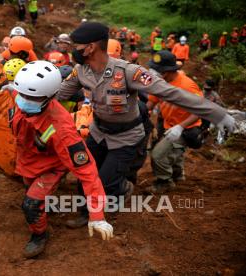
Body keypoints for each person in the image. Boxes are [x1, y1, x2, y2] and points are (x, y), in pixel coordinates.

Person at [56, 22, 236, 228]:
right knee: (85, 174)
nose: (73, 50)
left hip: (126, 137)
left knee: (106, 182)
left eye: (76, 46)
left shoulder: (128, 72)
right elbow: (60, 93)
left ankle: (123, 189)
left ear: (90, 47)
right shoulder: (80, 71)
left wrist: (218, 114)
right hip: (98, 132)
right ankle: (85, 212)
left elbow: (170, 93)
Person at [10, 60, 113, 258]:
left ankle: (39, 235)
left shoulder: (63, 130)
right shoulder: (21, 95)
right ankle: (42, 207)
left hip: (51, 167)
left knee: (30, 204)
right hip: (27, 160)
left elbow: (88, 172)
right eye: (22, 94)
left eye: (30, 97)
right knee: (31, 192)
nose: (22, 100)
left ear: (49, 97)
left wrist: (97, 215)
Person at [146, 51, 204, 192]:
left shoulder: (187, 86)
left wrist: (180, 127)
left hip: (186, 128)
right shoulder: (159, 83)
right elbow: (150, 103)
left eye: (155, 70)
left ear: (165, 72)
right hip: (168, 124)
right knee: (174, 153)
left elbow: (200, 110)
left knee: (158, 154)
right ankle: (178, 175)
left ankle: (165, 181)